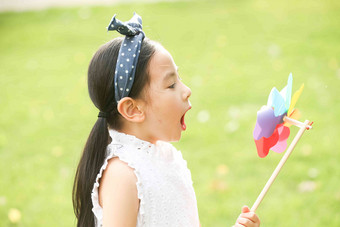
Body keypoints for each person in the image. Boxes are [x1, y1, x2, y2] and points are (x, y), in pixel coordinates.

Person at [72, 13, 260, 227]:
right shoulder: (122, 176)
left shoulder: (166, 156)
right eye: (171, 85)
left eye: (179, 79)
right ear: (132, 109)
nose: (187, 90)